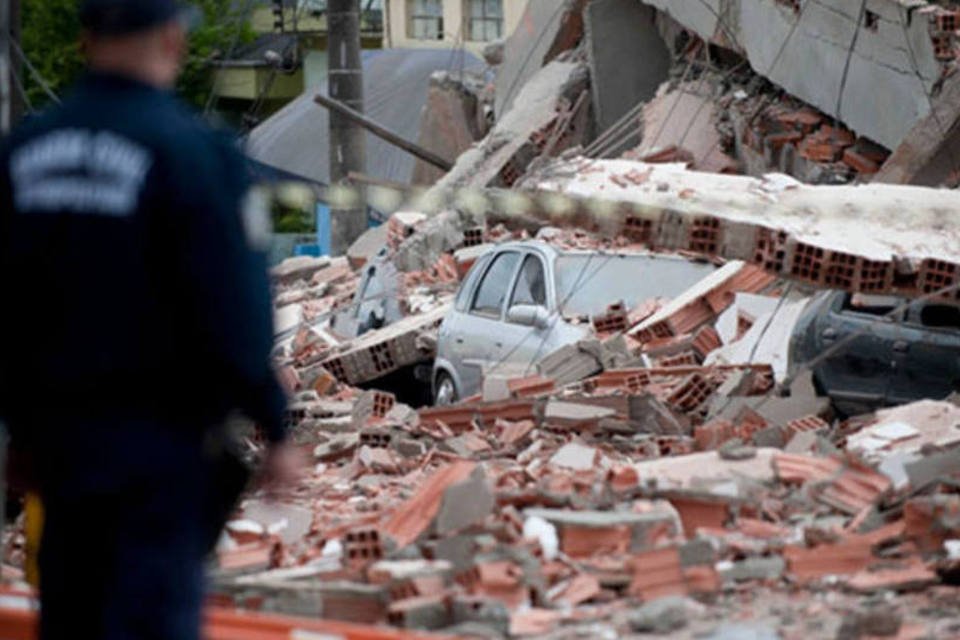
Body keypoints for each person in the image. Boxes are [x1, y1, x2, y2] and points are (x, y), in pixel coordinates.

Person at [0, 1, 303, 637]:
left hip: (56, 458)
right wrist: (274, 426)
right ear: (173, 37)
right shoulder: (194, 153)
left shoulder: (22, 152)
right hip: (158, 464)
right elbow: (235, 308)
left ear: (85, 38)